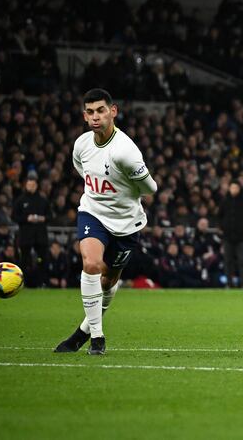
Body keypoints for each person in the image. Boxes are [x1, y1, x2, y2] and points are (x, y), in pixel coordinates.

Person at [54, 88, 157, 355]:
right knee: (91, 264)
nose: (95, 117)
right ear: (84, 116)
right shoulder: (81, 144)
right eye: (90, 112)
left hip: (125, 222)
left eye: (101, 110)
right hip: (93, 213)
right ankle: (97, 338)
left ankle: (80, 335)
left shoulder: (125, 152)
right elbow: (83, 170)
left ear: (113, 111)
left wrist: (124, 190)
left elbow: (150, 188)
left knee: (108, 282)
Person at [12, 173, 50, 287]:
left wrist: (43, 218)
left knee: (42, 260)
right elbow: (14, 216)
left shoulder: (43, 200)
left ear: (36, 185)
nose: (31, 187)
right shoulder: (20, 200)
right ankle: (22, 283)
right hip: (26, 235)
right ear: (25, 185)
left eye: (33, 185)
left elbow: (50, 216)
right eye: (29, 185)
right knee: (24, 260)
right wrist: (26, 218)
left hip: (40, 235)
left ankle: (42, 282)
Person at [220, 182, 243, 288]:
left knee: (242, 260)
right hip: (228, 236)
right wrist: (223, 226)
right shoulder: (225, 201)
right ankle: (229, 283)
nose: (234, 189)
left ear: (239, 189)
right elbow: (219, 215)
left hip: (241, 236)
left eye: (236, 187)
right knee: (228, 261)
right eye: (232, 187)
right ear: (229, 188)